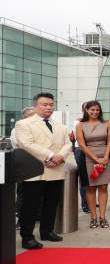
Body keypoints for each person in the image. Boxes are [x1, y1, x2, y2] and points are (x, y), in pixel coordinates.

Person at [15, 93, 71, 249]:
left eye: (51, 104)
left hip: (56, 169)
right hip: (35, 170)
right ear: (35, 106)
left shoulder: (60, 125)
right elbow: (26, 144)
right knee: (30, 205)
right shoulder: (24, 124)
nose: (49, 107)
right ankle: (27, 237)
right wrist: (51, 155)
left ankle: (47, 231)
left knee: (51, 203)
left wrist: (60, 156)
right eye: (45, 104)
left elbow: (68, 143)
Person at [76, 100, 110, 229]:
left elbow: (109, 141)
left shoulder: (107, 123)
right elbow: (81, 145)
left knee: (103, 187)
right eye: (92, 110)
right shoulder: (80, 125)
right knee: (90, 188)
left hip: (105, 158)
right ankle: (93, 217)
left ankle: (102, 217)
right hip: (88, 159)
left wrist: (105, 157)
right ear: (87, 110)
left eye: (97, 110)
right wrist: (96, 159)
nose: (95, 112)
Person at [10, 106, 36, 229]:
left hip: (35, 165)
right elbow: (23, 146)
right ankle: (18, 218)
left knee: (34, 193)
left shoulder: (36, 128)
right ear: (24, 117)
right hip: (23, 165)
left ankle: (33, 216)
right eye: (30, 116)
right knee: (22, 193)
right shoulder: (17, 129)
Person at [71, 102, 89, 213]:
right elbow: (76, 137)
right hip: (80, 150)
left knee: (92, 177)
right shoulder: (78, 122)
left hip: (93, 150)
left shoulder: (96, 122)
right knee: (83, 178)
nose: (91, 111)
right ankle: (85, 204)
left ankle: (89, 200)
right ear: (83, 111)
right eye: (88, 109)